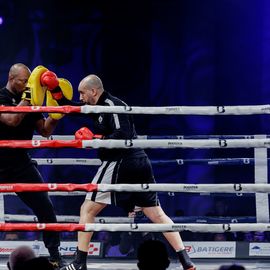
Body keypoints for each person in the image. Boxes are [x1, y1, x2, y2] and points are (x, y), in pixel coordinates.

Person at [48, 74, 195, 270]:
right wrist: (54, 90)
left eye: (82, 93)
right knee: (157, 215)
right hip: (139, 162)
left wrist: (96, 140)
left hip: (122, 160)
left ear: (94, 91)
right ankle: (187, 261)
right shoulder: (97, 107)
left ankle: (79, 262)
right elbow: (73, 108)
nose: (81, 97)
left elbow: (123, 135)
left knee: (87, 208)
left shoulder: (112, 105)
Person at [0, 63, 66, 269]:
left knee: (45, 207)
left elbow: (45, 131)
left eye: (29, 82)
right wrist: (27, 99)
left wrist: (56, 114)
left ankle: (55, 256)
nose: (27, 85)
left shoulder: (31, 97)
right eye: (23, 81)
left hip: (21, 164)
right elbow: (12, 120)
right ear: (11, 78)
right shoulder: (2, 97)